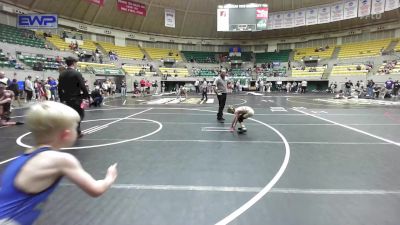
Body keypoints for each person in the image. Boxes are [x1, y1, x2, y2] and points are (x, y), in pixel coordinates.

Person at [0, 101, 117, 225]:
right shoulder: (60, 160)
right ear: (66, 134)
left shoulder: (26, 157)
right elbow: (96, 189)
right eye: (75, 128)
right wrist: (109, 177)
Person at [58, 57, 90, 138]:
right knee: (79, 115)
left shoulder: (62, 74)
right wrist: (87, 96)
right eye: (76, 63)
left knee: (69, 116)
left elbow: (59, 88)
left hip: (66, 99)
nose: (76, 64)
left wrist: (62, 99)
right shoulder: (76, 73)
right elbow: (83, 86)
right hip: (76, 99)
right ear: (73, 63)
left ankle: (70, 131)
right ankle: (77, 132)